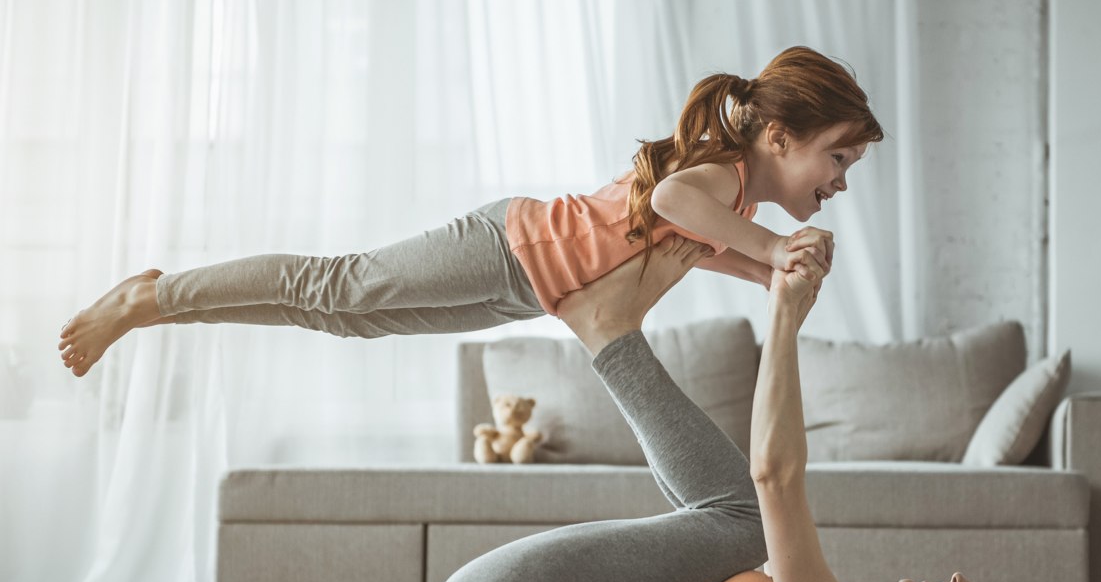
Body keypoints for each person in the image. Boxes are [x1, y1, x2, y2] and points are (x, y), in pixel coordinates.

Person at [427, 234, 1080, 582]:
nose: (964, 580)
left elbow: (775, 478)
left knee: (744, 524)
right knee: (736, 526)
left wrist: (785, 315)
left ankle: (609, 330)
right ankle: (610, 330)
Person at [56, 46, 883, 377]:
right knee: (338, 285)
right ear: (779, 136)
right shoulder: (719, 174)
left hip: (529, 290)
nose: (841, 178)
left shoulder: (731, 198)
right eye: (838, 156)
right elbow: (670, 200)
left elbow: (697, 244)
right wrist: (775, 251)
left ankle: (166, 304)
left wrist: (765, 277)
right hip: (511, 245)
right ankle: (148, 299)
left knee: (348, 320)